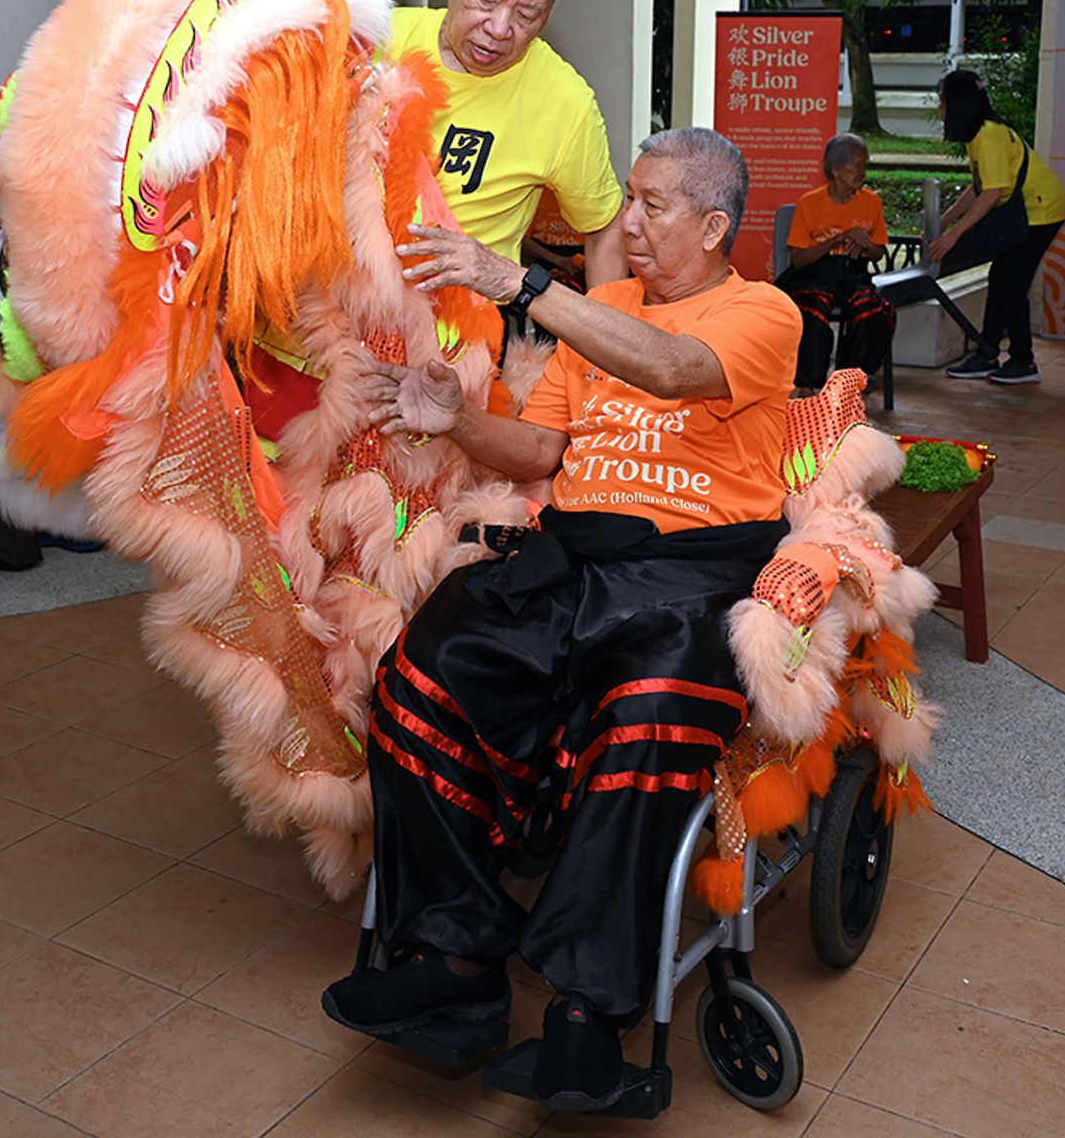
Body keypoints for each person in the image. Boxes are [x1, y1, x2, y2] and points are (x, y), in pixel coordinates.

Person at [323, 128, 799, 1111]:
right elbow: (539, 452)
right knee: (427, 669)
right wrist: (453, 416)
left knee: (649, 715)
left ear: (714, 227)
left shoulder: (765, 310)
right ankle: (455, 951)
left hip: (689, 574)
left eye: (653, 204)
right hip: (573, 559)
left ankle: (585, 1009)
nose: (628, 220)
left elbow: (670, 367)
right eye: (629, 196)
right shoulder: (606, 309)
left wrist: (522, 285)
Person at [388, 0, 625, 332]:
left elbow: (605, 229)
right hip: (316, 341)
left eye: (526, 14)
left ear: (549, 11)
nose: (499, 28)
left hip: (450, 355)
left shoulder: (564, 102)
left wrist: (601, 361)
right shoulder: (377, 40)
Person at [929, 69, 1065, 385]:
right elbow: (981, 186)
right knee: (1003, 278)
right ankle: (988, 353)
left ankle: (1022, 361)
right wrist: (944, 221)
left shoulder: (987, 135)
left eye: (943, 100)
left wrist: (953, 235)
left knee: (1011, 283)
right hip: (1030, 211)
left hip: (1041, 211)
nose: (940, 108)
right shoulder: (978, 135)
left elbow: (990, 195)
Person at [777, 132, 893, 390]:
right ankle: (807, 386)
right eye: (857, 164)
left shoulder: (871, 202)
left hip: (853, 273)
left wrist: (865, 245)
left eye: (865, 164)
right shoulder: (810, 203)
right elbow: (798, 261)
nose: (863, 171)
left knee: (870, 310)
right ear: (837, 170)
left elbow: (878, 254)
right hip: (816, 274)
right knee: (813, 311)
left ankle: (853, 382)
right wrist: (838, 239)